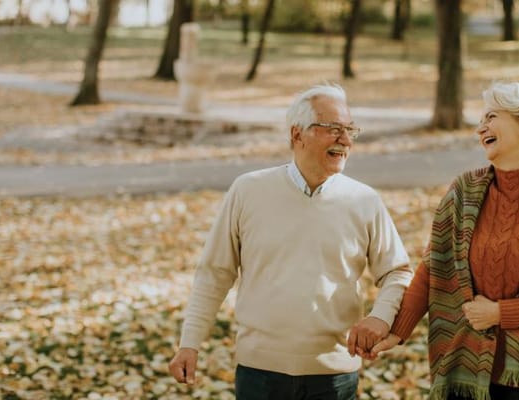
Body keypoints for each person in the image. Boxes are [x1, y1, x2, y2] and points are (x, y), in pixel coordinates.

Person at [168, 83, 414, 399]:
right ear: (297, 135)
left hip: (334, 377)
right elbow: (214, 274)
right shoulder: (248, 191)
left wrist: (381, 316)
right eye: (334, 129)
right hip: (259, 375)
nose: (346, 140)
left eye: (351, 130)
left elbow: (397, 271)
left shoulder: (365, 200)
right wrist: (189, 343)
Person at [366, 82, 519, 400]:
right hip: (462, 361)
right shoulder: (464, 191)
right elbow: (435, 267)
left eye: (491, 116)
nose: (480, 129)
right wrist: (398, 330)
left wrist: (501, 313)